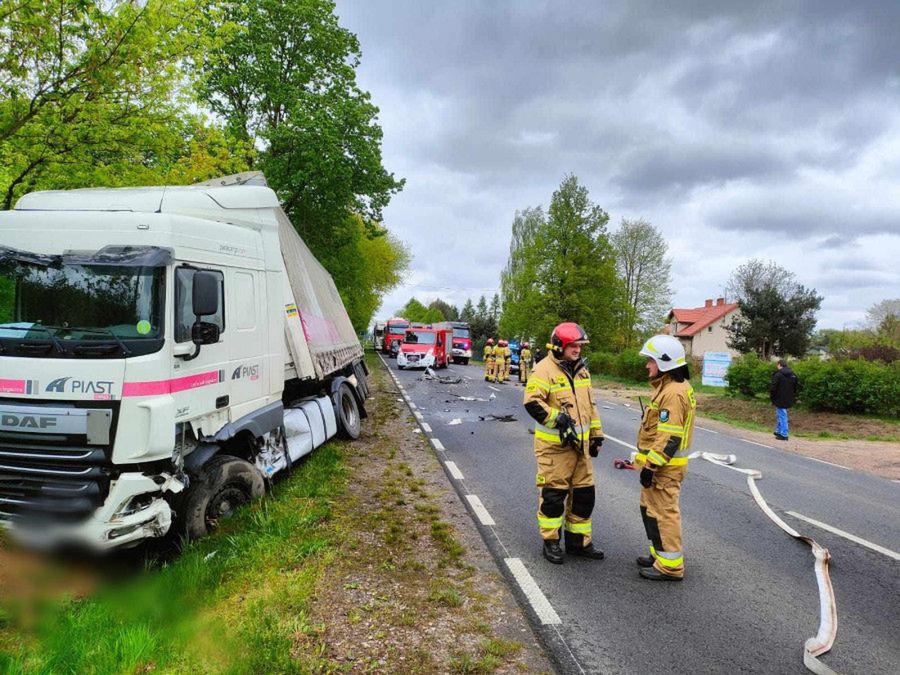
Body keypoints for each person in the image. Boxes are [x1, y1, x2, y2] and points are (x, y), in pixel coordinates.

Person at [523, 322, 605, 564]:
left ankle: (578, 543)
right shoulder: (543, 370)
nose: (578, 349)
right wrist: (557, 419)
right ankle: (551, 542)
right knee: (553, 498)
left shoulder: (582, 371)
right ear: (559, 346)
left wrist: (597, 434)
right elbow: (532, 403)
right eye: (573, 345)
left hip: (581, 451)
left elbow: (590, 406)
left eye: (580, 345)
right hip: (555, 451)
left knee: (584, 496)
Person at [633, 335, 696, 582]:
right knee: (650, 510)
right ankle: (659, 555)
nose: (647, 365)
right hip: (660, 466)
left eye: (650, 360)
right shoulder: (669, 388)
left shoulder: (672, 393)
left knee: (664, 513)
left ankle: (670, 566)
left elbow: (670, 437)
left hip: (664, 469)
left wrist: (651, 466)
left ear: (664, 362)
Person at [770, 359, 798, 441]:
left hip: (779, 397)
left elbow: (773, 387)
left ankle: (784, 434)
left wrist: (772, 397)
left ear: (779, 365)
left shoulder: (778, 374)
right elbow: (795, 387)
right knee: (780, 413)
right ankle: (778, 431)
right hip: (789, 398)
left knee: (782, 415)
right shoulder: (793, 375)